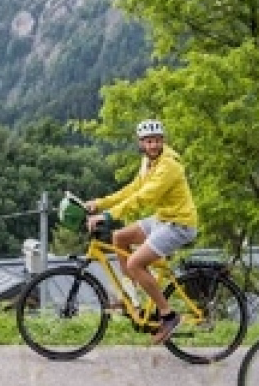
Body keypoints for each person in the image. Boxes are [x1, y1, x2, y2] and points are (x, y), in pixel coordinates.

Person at [85, 119, 200, 344]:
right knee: (119, 237)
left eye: (157, 140)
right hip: (162, 219)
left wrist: (108, 216)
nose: (154, 145)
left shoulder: (169, 166)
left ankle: (168, 315)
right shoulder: (147, 162)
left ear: (163, 141)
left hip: (179, 224)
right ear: (141, 144)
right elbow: (133, 188)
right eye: (149, 141)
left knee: (135, 263)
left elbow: (144, 197)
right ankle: (132, 298)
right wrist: (101, 204)